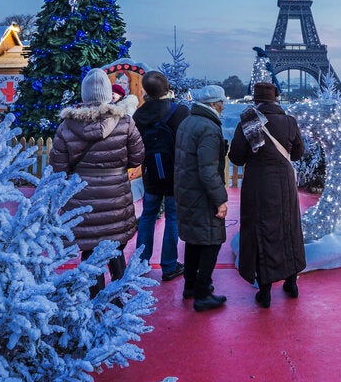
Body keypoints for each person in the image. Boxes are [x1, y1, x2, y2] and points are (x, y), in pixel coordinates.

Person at [50, 68, 145, 297]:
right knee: (116, 246)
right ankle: (120, 297)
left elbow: (58, 167)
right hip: (116, 194)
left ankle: (94, 299)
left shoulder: (67, 126)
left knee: (89, 248)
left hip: (82, 196)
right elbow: (137, 157)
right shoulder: (125, 122)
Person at [229, 82, 307, 308]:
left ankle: (264, 291)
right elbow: (297, 153)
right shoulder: (290, 121)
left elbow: (236, 157)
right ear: (276, 98)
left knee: (260, 230)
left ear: (256, 100)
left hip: (258, 183)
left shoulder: (248, 121)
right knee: (289, 228)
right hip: (284, 182)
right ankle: (291, 283)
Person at [174, 84, 230, 312]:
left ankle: (190, 285)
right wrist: (220, 199)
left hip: (187, 190)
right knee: (211, 241)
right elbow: (208, 170)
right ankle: (203, 293)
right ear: (214, 104)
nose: (224, 107)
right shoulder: (209, 128)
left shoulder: (188, 121)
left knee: (194, 240)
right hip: (202, 194)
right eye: (222, 103)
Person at [133, 71, 190, 282]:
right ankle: (169, 265)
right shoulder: (180, 111)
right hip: (175, 172)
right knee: (173, 218)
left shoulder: (139, 115)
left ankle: (140, 263)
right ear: (167, 87)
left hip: (151, 173)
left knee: (148, 216)